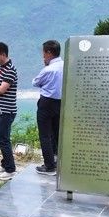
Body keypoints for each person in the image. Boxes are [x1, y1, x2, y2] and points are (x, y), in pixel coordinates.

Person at [33, 40, 65, 176]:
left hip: (46, 103)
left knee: (45, 135)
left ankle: (49, 165)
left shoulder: (48, 69)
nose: (43, 56)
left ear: (49, 53)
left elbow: (35, 82)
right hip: (60, 102)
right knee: (57, 133)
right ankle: (58, 161)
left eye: (44, 53)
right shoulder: (65, 66)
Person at [0, 42, 21, 180]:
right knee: (1, 138)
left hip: (7, 110)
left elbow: (2, 89)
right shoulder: (0, 69)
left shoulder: (10, 70)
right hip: (0, 109)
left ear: (3, 54)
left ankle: (10, 169)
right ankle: (4, 164)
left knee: (3, 140)